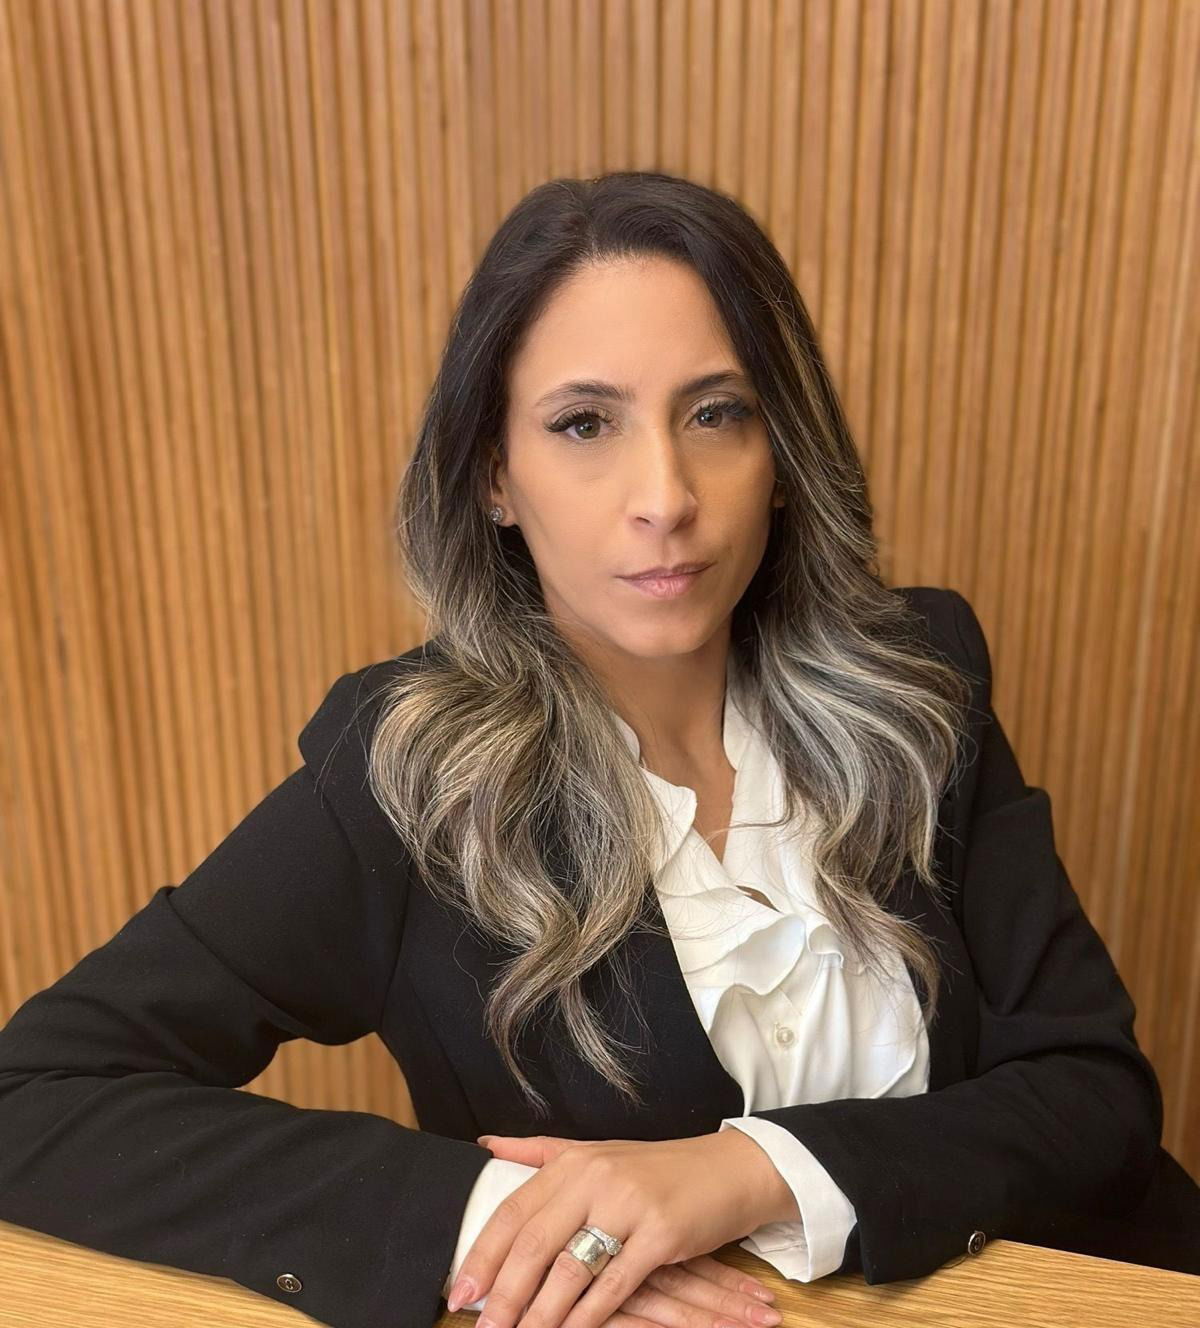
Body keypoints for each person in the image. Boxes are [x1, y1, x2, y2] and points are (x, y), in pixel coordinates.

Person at [0, 171, 1196, 1328]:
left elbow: (1093, 1095)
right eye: (584, 424)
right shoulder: (406, 775)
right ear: (494, 476)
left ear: (783, 452)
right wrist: (494, 1217)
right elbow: (34, 1092)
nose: (665, 495)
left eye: (716, 412)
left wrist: (746, 1170)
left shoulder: (921, 674)